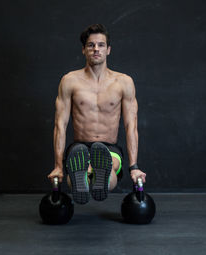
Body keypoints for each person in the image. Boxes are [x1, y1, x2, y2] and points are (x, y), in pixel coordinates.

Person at [47, 24, 146, 204]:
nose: (96, 49)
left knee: (108, 171)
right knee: (76, 172)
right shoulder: (70, 81)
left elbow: (131, 125)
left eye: (101, 45)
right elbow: (60, 125)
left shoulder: (123, 82)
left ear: (108, 50)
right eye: (91, 45)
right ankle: (85, 173)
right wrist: (58, 166)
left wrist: (134, 167)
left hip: (109, 147)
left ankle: (98, 171)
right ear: (84, 50)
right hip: (79, 146)